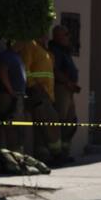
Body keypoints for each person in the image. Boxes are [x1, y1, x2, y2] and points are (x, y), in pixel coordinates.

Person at [18, 36, 65, 165]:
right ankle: (57, 154)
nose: (46, 34)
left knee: (41, 127)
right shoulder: (30, 45)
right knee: (51, 122)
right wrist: (33, 86)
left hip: (47, 95)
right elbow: (25, 68)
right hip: (37, 93)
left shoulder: (44, 50)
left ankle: (43, 157)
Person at [48, 24, 81, 157]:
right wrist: (68, 82)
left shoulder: (64, 50)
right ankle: (57, 153)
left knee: (71, 121)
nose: (69, 36)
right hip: (61, 88)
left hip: (69, 90)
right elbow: (55, 70)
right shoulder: (55, 50)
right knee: (61, 121)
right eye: (66, 34)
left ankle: (65, 151)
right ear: (57, 36)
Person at [0, 41, 27, 151]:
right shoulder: (7, 56)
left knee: (19, 127)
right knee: (11, 126)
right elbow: (2, 72)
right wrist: (11, 91)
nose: (23, 44)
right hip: (10, 96)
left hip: (18, 96)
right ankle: (13, 156)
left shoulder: (17, 56)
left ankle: (18, 156)